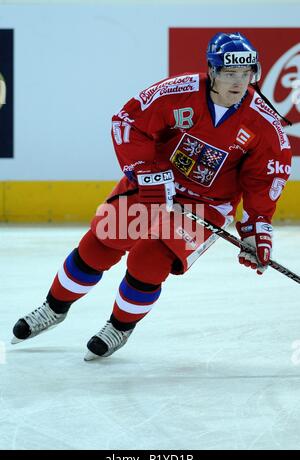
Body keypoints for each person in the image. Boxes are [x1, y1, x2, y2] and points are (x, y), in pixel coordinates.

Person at [11, 32, 292, 360]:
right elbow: (128, 122)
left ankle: (119, 327)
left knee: (149, 261)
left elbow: (263, 181)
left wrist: (257, 231)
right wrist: (149, 171)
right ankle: (54, 307)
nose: (238, 82)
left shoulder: (265, 126)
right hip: (154, 185)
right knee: (100, 245)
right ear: (212, 71)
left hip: (206, 204)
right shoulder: (178, 93)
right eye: (230, 73)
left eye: (246, 74)